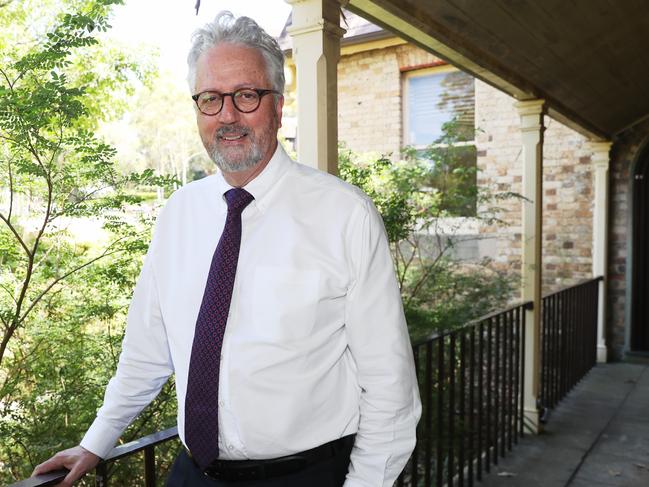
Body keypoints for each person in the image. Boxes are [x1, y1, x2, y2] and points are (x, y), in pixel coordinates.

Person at [34, 11, 421, 486]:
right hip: (192, 474)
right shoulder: (178, 215)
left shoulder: (345, 216)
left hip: (305, 476)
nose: (228, 116)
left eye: (246, 95)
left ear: (278, 105)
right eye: (211, 99)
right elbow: (146, 353)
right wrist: (96, 442)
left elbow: (390, 388)